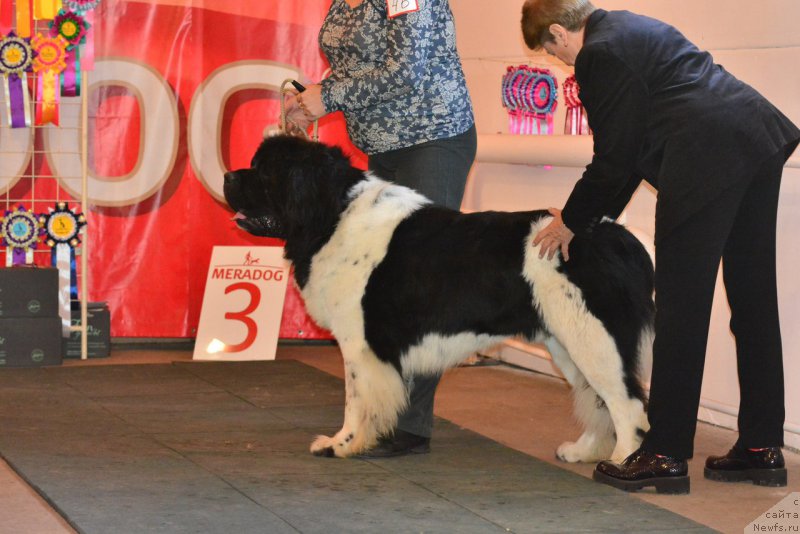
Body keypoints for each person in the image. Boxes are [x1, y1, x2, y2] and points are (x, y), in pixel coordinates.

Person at [521, 0, 799, 494]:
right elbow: (626, 157)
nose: (560, 62)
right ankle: (761, 446)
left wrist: (572, 222)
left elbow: (613, 158)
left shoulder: (598, 55)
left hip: (705, 160)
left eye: (552, 52)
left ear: (559, 33)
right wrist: (590, 219)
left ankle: (664, 452)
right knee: (753, 300)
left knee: (680, 309)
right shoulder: (629, 26)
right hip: (755, 138)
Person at [285, 0, 477, 457]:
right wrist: (309, 95)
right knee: (383, 287)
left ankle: (407, 423)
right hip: (383, 148)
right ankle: (381, 411)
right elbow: (358, 64)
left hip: (431, 139)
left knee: (419, 281)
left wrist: (326, 98)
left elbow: (407, 69)